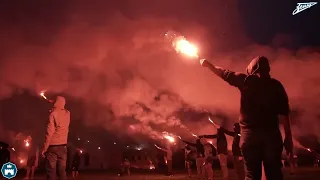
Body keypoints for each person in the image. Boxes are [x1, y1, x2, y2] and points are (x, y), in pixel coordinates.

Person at [200, 57, 293, 180]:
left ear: (252, 69)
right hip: (272, 136)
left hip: (250, 137)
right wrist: (288, 137)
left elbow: (223, 72)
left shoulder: (246, 80)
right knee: (274, 174)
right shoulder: (276, 85)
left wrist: (208, 65)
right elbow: (284, 113)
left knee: (251, 175)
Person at [41, 96, 70, 180]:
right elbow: (61, 106)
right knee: (62, 172)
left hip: (53, 147)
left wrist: (44, 148)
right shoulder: (67, 113)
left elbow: (49, 133)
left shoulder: (52, 114)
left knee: (51, 172)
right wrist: (55, 103)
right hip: (63, 147)